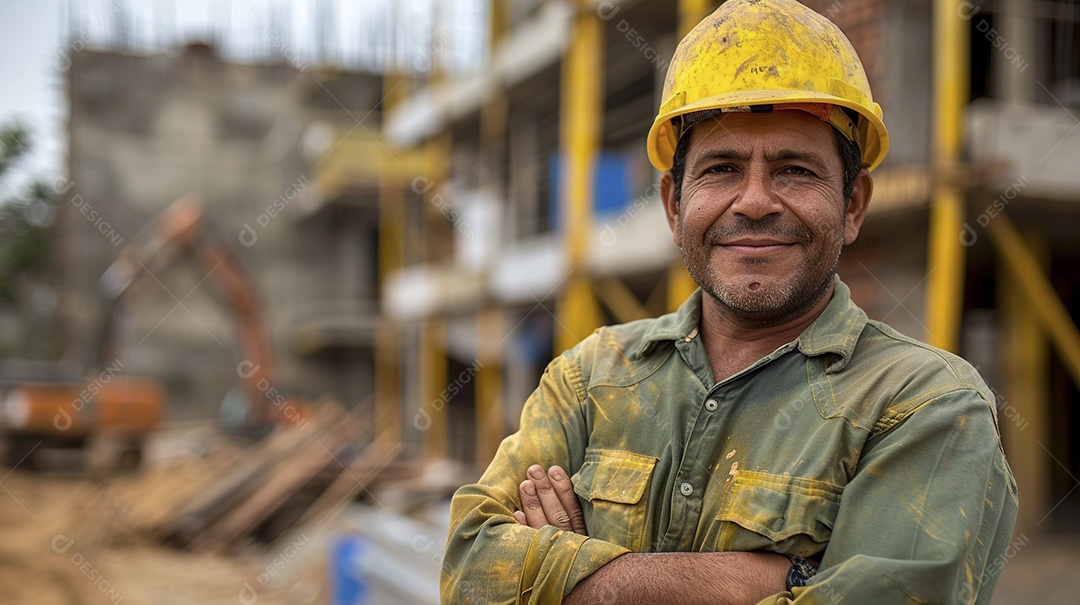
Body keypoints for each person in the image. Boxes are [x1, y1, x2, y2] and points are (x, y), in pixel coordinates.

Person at [441, 0, 1018, 603]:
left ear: (852, 205)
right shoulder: (590, 377)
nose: (755, 202)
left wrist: (569, 576)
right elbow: (469, 569)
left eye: (794, 170)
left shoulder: (925, 406)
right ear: (673, 204)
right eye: (721, 168)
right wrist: (763, 581)